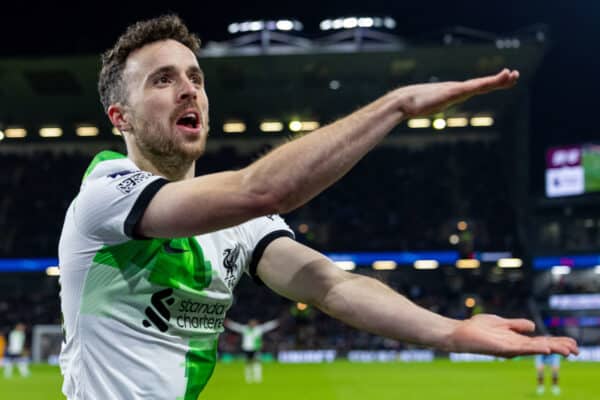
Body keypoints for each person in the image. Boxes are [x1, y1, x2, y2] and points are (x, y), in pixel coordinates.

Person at [58, 14, 578, 400]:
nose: (189, 89)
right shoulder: (105, 194)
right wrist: (395, 105)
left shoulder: (239, 224)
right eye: (163, 79)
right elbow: (262, 189)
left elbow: (331, 285)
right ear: (119, 117)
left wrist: (450, 330)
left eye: (195, 76)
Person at [224, 318, 279, 383]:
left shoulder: (258, 329)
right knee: (248, 363)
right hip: (247, 348)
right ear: (249, 323)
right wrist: (228, 323)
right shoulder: (245, 329)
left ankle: (257, 378)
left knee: (257, 362)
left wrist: (276, 322)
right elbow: (236, 327)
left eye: (254, 323)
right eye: (251, 323)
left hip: (256, 348)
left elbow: (267, 326)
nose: (253, 324)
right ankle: (248, 378)